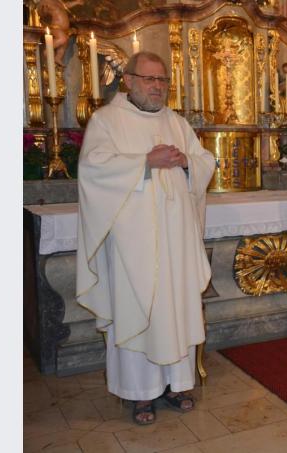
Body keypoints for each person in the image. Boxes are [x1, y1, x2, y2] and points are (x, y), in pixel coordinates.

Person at [75, 51, 215, 425]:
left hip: (176, 242)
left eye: (163, 80)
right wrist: (145, 163)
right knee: (139, 309)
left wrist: (187, 162)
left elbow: (204, 161)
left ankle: (177, 383)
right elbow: (92, 170)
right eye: (150, 79)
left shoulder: (177, 122)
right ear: (130, 81)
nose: (158, 87)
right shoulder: (106, 121)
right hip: (131, 243)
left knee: (175, 307)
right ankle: (140, 394)